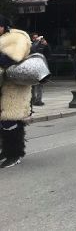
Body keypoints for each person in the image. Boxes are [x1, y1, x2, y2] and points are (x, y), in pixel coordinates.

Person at [0, 15, 33, 168]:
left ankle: (14, 153)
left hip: (13, 88)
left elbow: (12, 59)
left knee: (10, 121)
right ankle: (5, 150)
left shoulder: (17, 38)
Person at [30, 32, 50, 106]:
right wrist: (37, 42)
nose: (36, 39)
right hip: (32, 66)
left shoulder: (41, 45)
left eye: (37, 37)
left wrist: (46, 45)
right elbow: (33, 50)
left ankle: (39, 100)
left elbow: (48, 54)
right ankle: (33, 99)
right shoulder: (30, 44)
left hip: (40, 66)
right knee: (32, 85)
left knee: (40, 84)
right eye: (34, 38)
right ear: (32, 38)